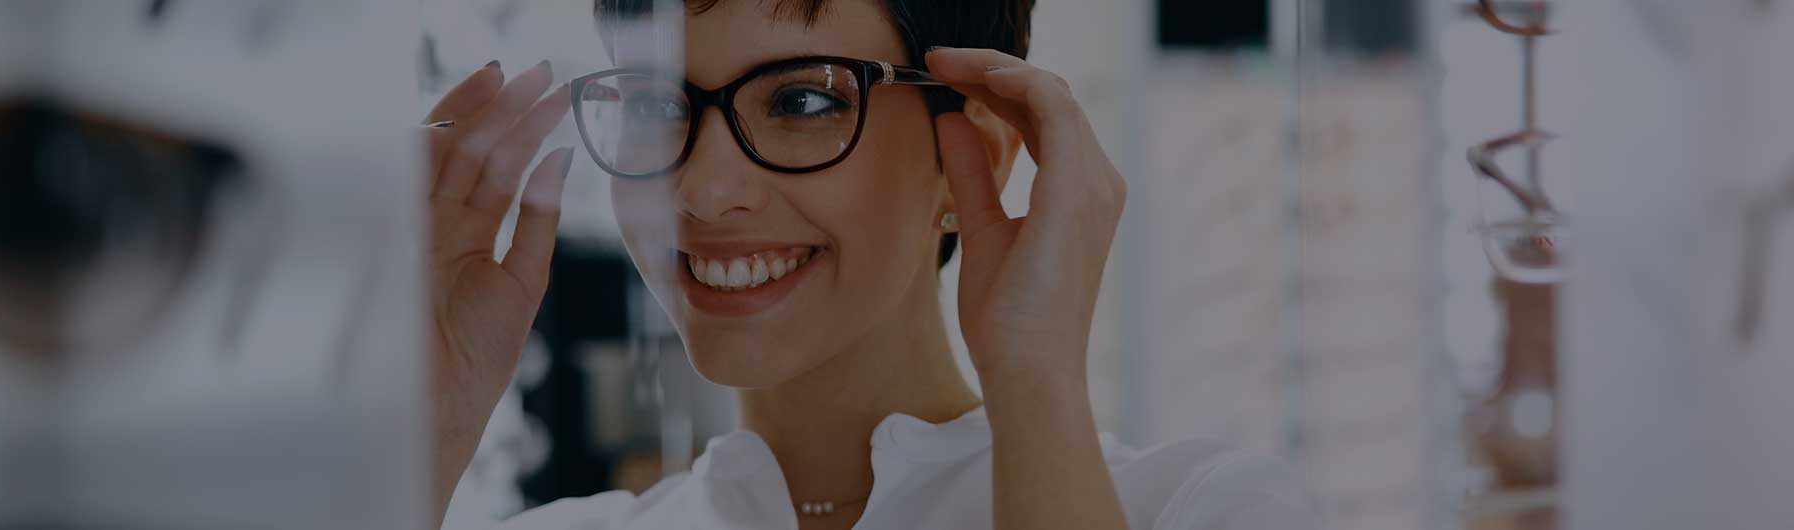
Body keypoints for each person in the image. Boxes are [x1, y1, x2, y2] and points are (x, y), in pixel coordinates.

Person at [419, 0, 1312, 528]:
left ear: (977, 155)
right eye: (655, 105)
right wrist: (424, 425)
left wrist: (1035, 379)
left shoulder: (1196, 510)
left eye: (802, 99)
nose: (703, 186)